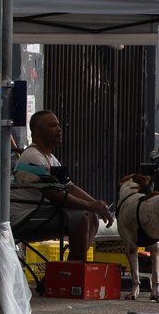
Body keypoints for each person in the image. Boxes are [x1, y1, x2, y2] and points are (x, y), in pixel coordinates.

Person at [12, 109, 114, 257]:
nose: (59, 129)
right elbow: (54, 195)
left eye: (59, 125)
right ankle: (72, 272)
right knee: (82, 218)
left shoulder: (51, 158)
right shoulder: (32, 157)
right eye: (53, 126)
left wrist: (97, 205)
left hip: (42, 212)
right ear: (38, 131)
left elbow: (69, 187)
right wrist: (90, 205)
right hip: (24, 218)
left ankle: (69, 271)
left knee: (91, 217)